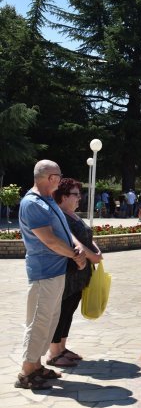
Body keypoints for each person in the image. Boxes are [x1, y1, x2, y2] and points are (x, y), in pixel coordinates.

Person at [16, 160, 87, 390]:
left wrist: (74, 249)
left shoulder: (47, 200)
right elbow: (48, 240)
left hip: (54, 273)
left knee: (48, 322)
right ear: (51, 178)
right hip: (43, 274)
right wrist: (74, 255)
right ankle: (27, 372)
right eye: (58, 175)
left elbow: (61, 233)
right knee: (39, 323)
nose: (60, 178)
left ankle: (36, 366)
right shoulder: (33, 203)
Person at [46, 178, 104, 368]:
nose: (80, 198)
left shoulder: (72, 214)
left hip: (81, 271)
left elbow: (86, 237)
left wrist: (95, 250)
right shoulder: (60, 216)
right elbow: (74, 242)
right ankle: (54, 353)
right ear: (63, 197)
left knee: (70, 309)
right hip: (70, 270)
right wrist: (93, 257)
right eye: (75, 194)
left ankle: (62, 347)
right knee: (61, 310)